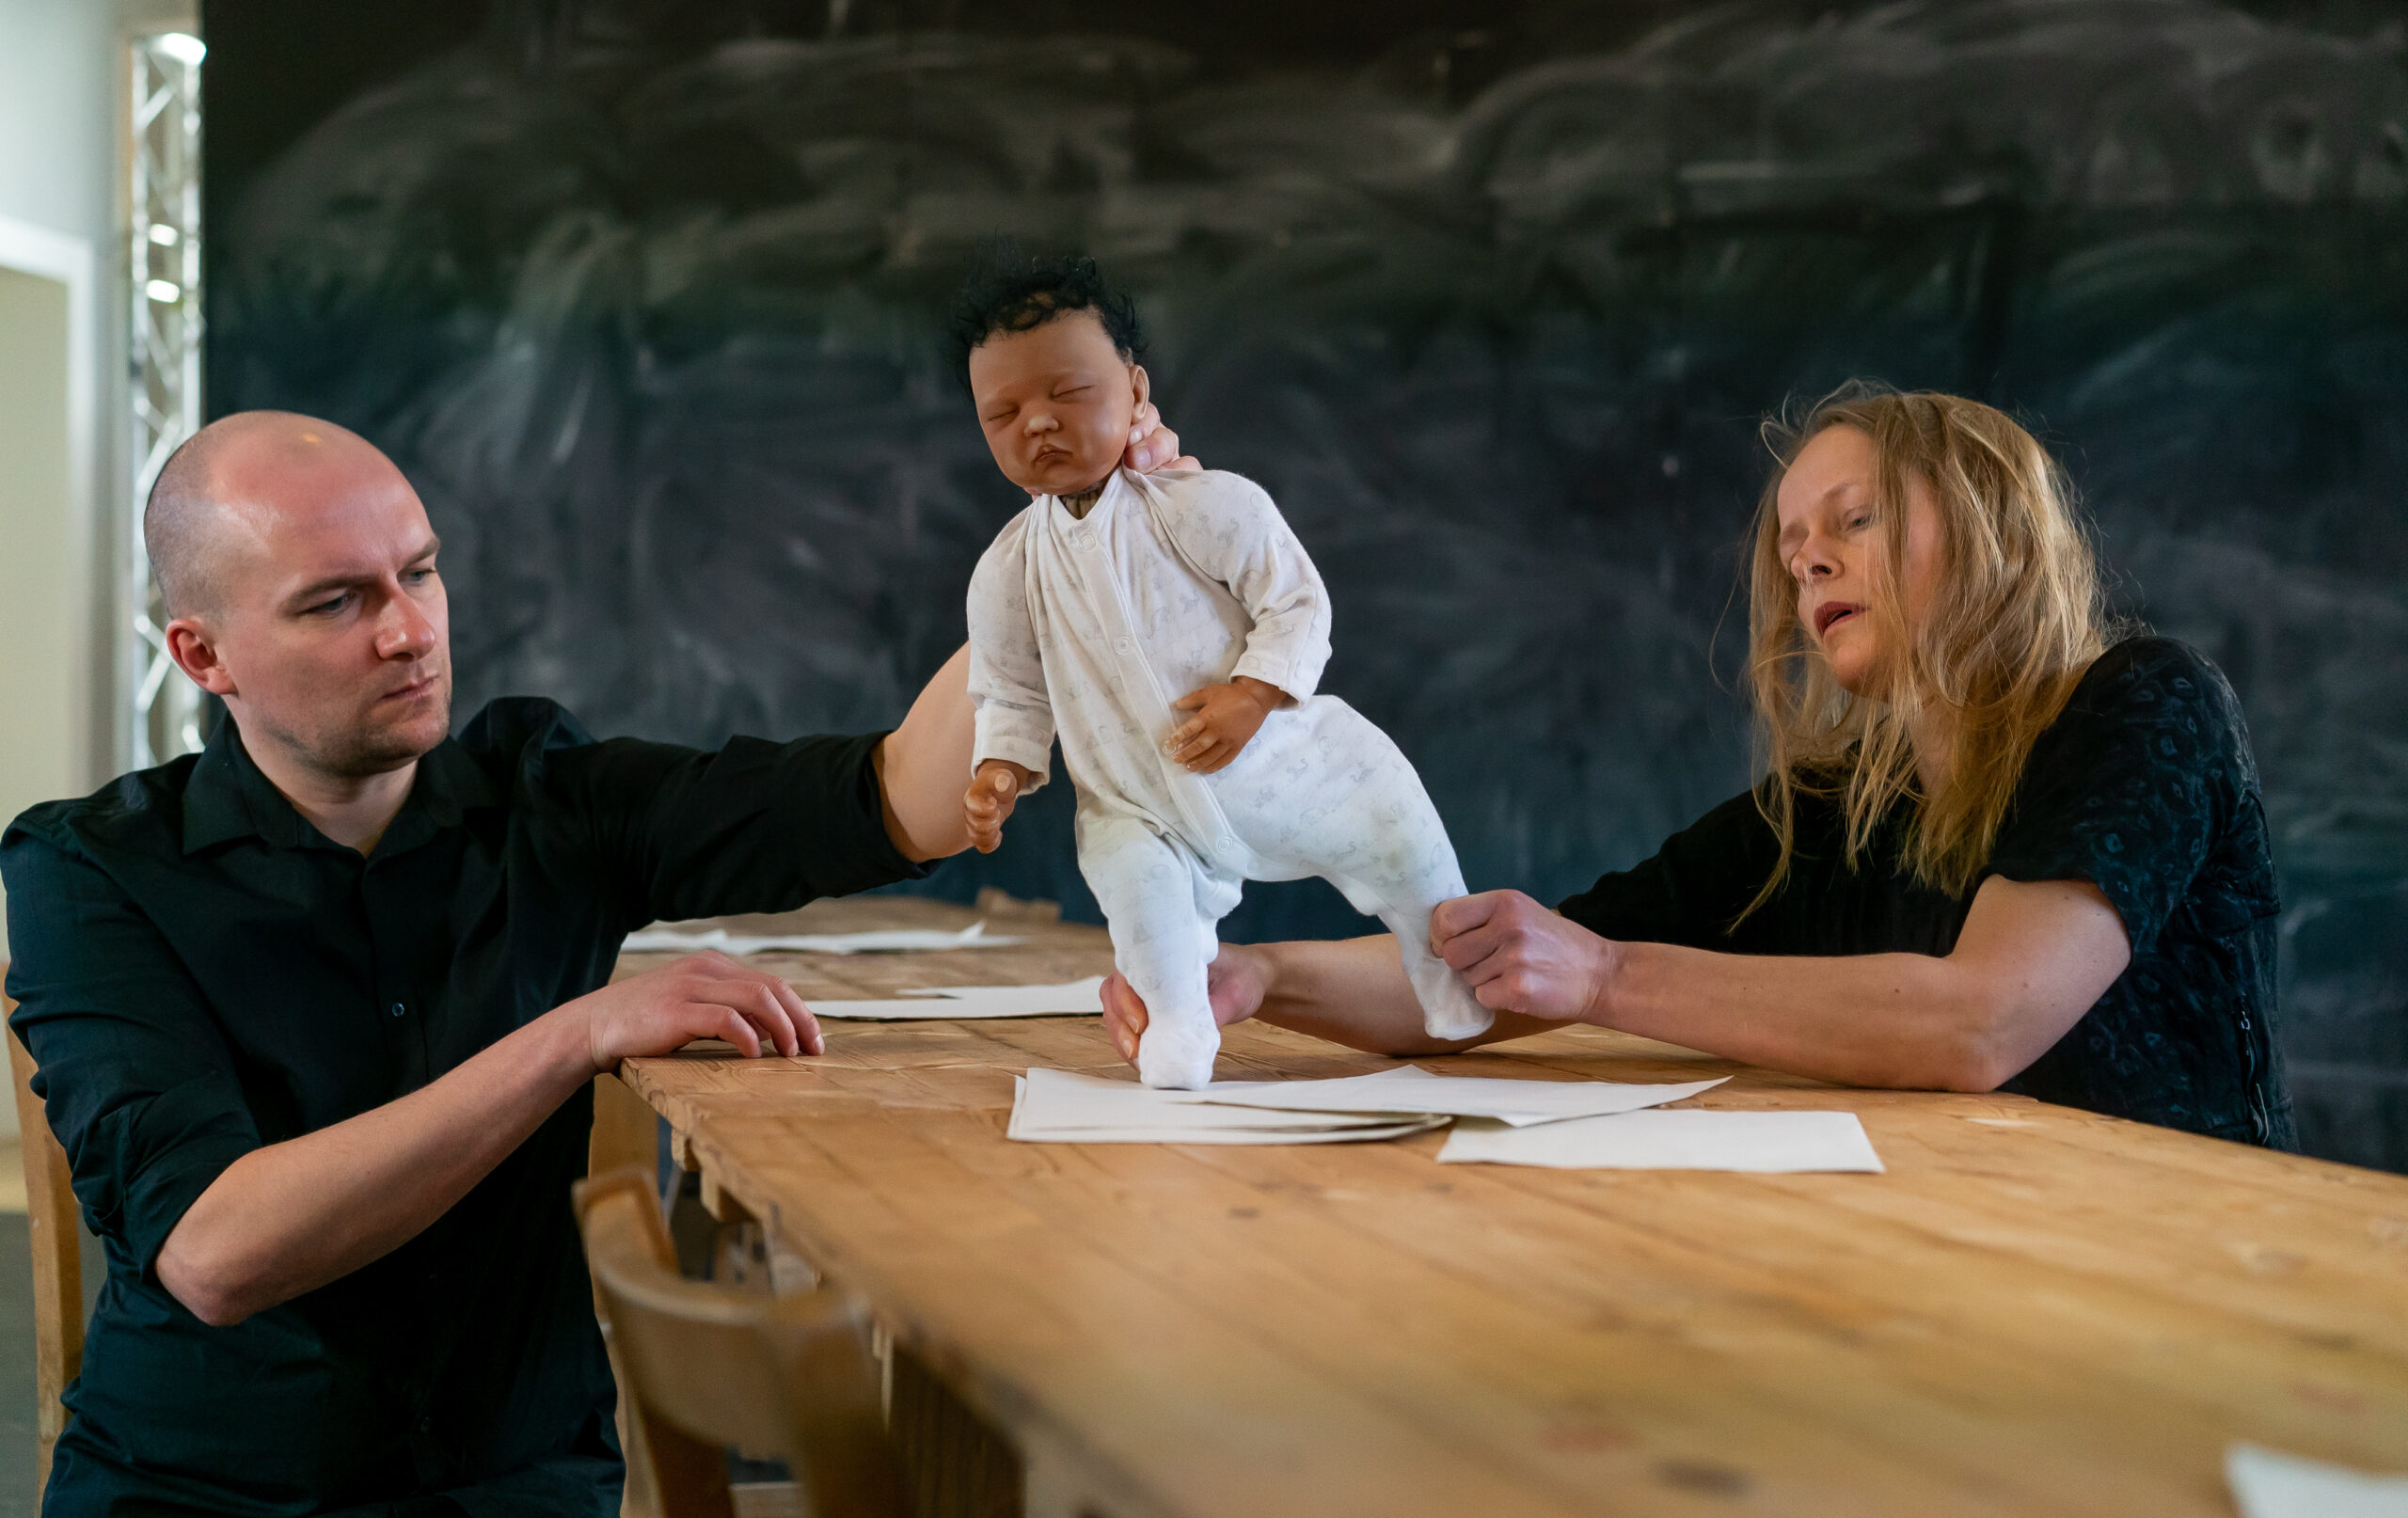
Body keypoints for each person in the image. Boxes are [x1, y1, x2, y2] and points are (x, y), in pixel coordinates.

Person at [0, 404, 1187, 1515]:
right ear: (205, 657)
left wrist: (1073, 544)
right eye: (335, 604)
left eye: (419, 571)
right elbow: (215, 1254)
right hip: (205, 1495)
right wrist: (576, 1033)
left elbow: (895, 796)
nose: (410, 630)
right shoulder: (88, 871)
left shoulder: (545, 795)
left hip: (516, 1488)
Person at [1099, 386, 2294, 1148]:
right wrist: (1248, 973)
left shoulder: (2141, 703)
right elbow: (1511, 966)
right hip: (1983, 1266)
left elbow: (1981, 1023)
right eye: (1792, 545)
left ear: (1988, 519)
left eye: (1854, 520)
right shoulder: (1837, 805)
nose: (1810, 562)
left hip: (2196, 1272)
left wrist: (1608, 979)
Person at [952, 250, 1488, 1089]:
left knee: (1397, 826)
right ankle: (1180, 1020)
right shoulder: (1008, 569)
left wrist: (1254, 692)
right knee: (1136, 896)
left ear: (1134, 390)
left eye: (1068, 393)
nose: (1039, 424)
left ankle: (1444, 974)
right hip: (1142, 801)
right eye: (1003, 411)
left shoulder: (1205, 504)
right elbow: (1012, 687)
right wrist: (999, 766)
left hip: (1280, 766)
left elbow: (1296, 602)